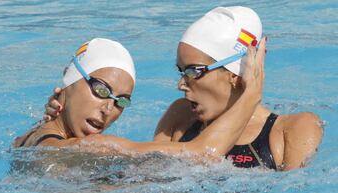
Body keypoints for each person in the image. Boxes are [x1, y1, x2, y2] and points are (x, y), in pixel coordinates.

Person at [45, 7, 322, 171]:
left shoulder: (292, 129)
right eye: (181, 72)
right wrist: (61, 129)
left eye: (192, 72)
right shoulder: (180, 117)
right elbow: (146, 175)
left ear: (235, 74)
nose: (181, 85)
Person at [13, 38, 136, 147]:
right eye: (101, 90)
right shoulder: (51, 149)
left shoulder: (37, 133)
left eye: (121, 101)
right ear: (70, 78)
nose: (108, 110)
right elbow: (153, 150)